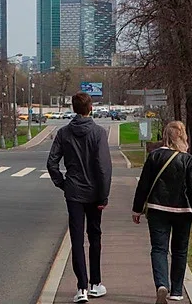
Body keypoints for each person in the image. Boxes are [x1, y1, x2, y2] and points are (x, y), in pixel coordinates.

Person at [47, 92, 112, 303]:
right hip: (94, 193)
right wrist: (104, 196)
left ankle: (81, 287)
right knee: (95, 237)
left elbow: (52, 163)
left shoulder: (64, 133)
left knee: (76, 239)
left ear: (74, 108)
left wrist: (63, 183)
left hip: (74, 192)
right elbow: (103, 167)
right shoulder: (99, 133)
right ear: (90, 108)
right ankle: (96, 284)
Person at [132, 121, 192, 304]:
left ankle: (161, 285)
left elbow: (144, 185)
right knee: (180, 251)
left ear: (165, 136)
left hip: (158, 210)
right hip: (183, 211)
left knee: (159, 249)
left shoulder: (154, 156)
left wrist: (137, 209)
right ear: (183, 138)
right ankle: (177, 291)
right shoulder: (188, 160)